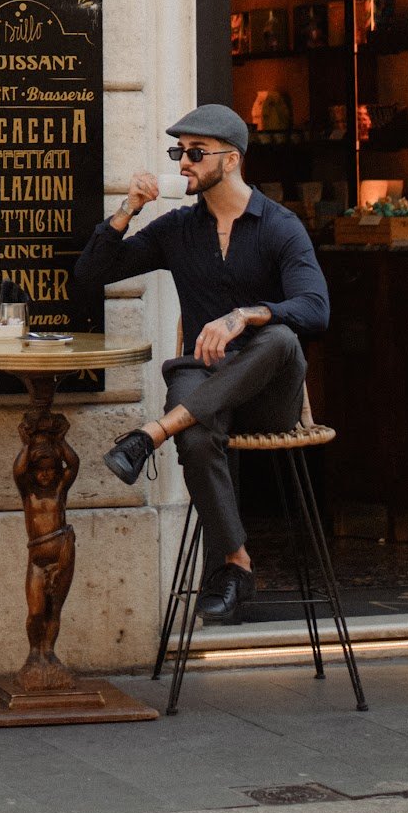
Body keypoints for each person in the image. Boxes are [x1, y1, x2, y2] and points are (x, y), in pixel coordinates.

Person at [73, 103, 329, 627]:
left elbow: (316, 308)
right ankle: (236, 565)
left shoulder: (279, 225)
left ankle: (151, 433)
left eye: (195, 153)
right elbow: (92, 274)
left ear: (230, 160)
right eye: (179, 153)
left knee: (279, 338)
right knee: (194, 432)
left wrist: (246, 315)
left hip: (267, 396)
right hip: (204, 378)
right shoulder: (177, 229)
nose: (183, 163)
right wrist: (127, 209)